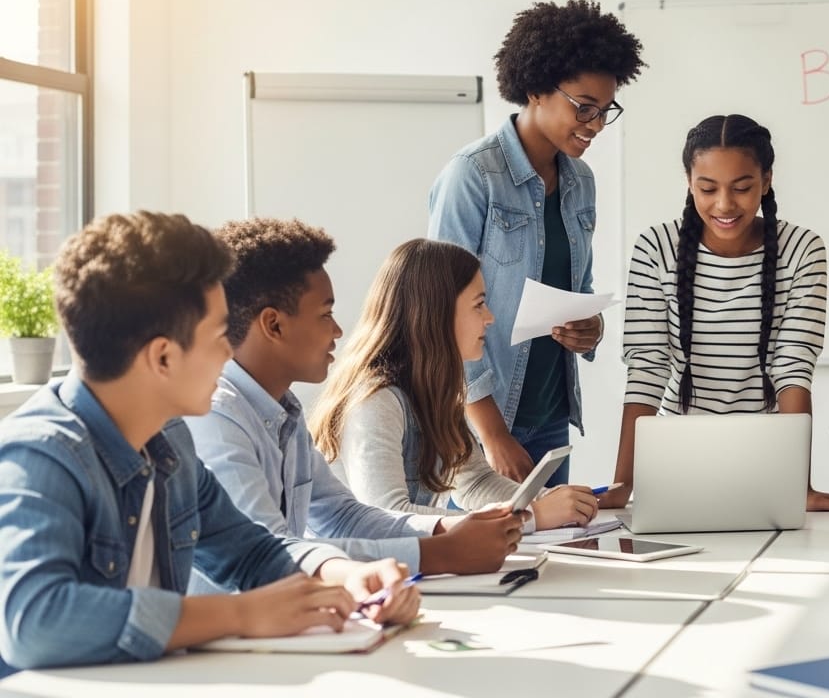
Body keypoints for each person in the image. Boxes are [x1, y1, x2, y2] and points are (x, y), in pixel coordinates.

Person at [0, 212, 418, 674]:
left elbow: (251, 553)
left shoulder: (170, 443)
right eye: (220, 335)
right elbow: (33, 621)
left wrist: (346, 577)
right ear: (163, 357)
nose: (228, 351)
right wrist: (239, 615)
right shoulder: (40, 454)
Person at [186, 218, 524, 587]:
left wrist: (450, 529)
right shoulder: (217, 418)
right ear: (274, 325)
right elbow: (266, 555)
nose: (337, 331)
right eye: (325, 315)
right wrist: (442, 552)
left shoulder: (284, 413)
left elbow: (344, 516)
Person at [428, 0, 646, 487]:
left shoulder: (581, 182)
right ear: (535, 89)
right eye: (583, 107)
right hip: (481, 421)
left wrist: (590, 328)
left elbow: (577, 287)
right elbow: (440, 311)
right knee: (488, 536)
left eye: (605, 111)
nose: (595, 125)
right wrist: (491, 432)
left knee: (557, 536)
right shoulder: (473, 176)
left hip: (550, 414)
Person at [598, 114, 829, 512]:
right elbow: (647, 368)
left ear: (766, 181)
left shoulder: (802, 249)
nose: (725, 204)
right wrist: (623, 484)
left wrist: (799, 486)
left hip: (767, 465)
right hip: (674, 465)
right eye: (707, 188)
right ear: (688, 182)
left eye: (742, 188)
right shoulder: (656, 247)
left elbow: (793, 366)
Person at [310, 239, 598, 530]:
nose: (490, 318)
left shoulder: (435, 391)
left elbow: (476, 483)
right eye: (479, 304)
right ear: (437, 312)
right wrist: (532, 516)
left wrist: (552, 500)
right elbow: (387, 516)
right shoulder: (376, 400)